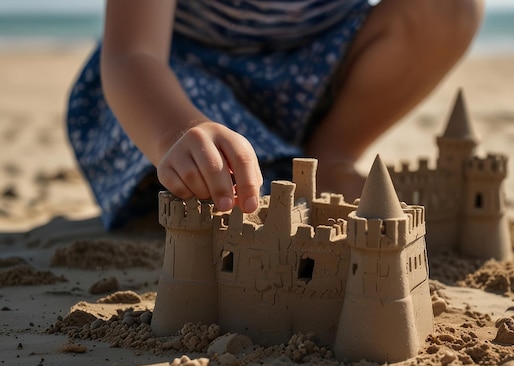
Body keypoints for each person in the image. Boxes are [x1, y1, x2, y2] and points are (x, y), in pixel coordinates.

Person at [67, 0, 484, 229]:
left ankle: (331, 156)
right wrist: (176, 131)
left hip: (312, 81)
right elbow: (131, 55)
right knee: (213, 183)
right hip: (179, 89)